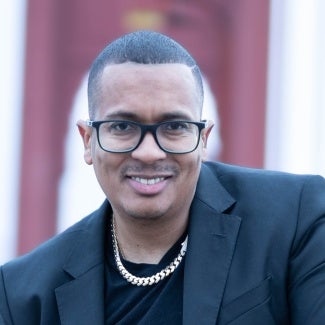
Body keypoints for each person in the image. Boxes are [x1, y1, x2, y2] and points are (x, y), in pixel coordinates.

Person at [0, 30, 325, 325]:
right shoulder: (22, 297)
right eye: (122, 127)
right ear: (88, 141)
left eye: (174, 127)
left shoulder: (297, 219)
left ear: (203, 140)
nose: (149, 153)